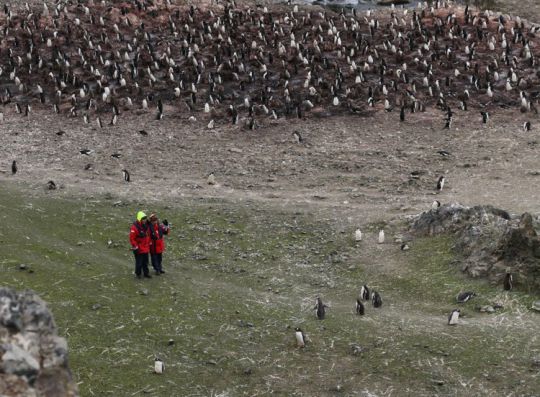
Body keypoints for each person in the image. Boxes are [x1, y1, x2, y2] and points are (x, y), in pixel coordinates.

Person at [129, 211, 152, 279]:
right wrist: (135, 246)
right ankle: (138, 274)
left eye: (145, 219)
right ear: (140, 219)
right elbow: (132, 238)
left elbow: (148, 235)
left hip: (145, 247)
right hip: (138, 248)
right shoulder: (134, 227)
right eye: (143, 219)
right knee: (139, 263)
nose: (145, 220)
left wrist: (149, 242)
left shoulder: (145, 226)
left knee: (145, 262)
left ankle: (146, 273)